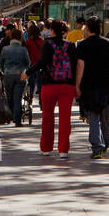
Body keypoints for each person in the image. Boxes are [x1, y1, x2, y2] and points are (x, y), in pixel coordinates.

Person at [74, 17, 109, 160]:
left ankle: (97, 147)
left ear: (88, 29)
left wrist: (77, 85)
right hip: (106, 85)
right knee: (105, 117)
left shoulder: (82, 45)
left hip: (88, 86)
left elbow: (80, 66)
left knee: (92, 117)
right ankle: (106, 140)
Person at [26, 19, 79, 156]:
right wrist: (76, 85)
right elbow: (74, 66)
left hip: (49, 85)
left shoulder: (47, 44)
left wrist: (27, 72)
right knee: (65, 118)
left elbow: (42, 62)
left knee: (47, 117)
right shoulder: (71, 45)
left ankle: (46, 148)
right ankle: (63, 150)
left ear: (52, 30)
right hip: (67, 86)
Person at [0, 28, 32, 126]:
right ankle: (17, 120)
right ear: (20, 38)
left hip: (8, 75)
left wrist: (3, 72)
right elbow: (28, 63)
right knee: (18, 97)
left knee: (9, 97)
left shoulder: (5, 49)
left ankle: (10, 116)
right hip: (20, 75)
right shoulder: (23, 49)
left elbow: (0, 64)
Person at [24, 22, 44, 108]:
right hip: (40, 65)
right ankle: (41, 102)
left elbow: (26, 54)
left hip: (31, 65)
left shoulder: (27, 42)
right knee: (40, 85)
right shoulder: (42, 42)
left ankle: (30, 100)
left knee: (31, 84)